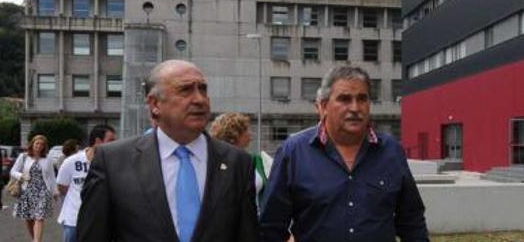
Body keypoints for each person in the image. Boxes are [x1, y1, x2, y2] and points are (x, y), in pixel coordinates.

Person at [77, 59, 259, 242]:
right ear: (155, 104)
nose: (200, 99)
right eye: (185, 90)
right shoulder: (112, 161)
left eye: (202, 89)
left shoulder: (238, 163)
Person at [259, 66, 429, 242]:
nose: (355, 108)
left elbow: (412, 222)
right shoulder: (293, 153)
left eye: (362, 99)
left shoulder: (391, 152)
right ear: (324, 106)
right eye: (344, 99)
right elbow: (271, 227)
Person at [56, 125, 116, 242]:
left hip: (99, 221)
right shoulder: (72, 162)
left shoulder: (112, 163)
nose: (114, 144)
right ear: (98, 141)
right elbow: (62, 186)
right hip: (73, 220)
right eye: (111, 141)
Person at [209, 112, 273, 209]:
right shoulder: (215, 163)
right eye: (246, 130)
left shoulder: (256, 160)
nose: (250, 134)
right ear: (234, 134)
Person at [11, 134, 57, 242]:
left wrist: (55, 191)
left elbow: (51, 177)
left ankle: (37, 241)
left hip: (43, 191)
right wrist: (21, 176)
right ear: (32, 144)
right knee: (29, 218)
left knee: (39, 217)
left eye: (42, 144)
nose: (39, 146)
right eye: (37, 143)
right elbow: (13, 171)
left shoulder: (48, 159)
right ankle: (34, 239)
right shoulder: (23, 156)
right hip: (26, 190)